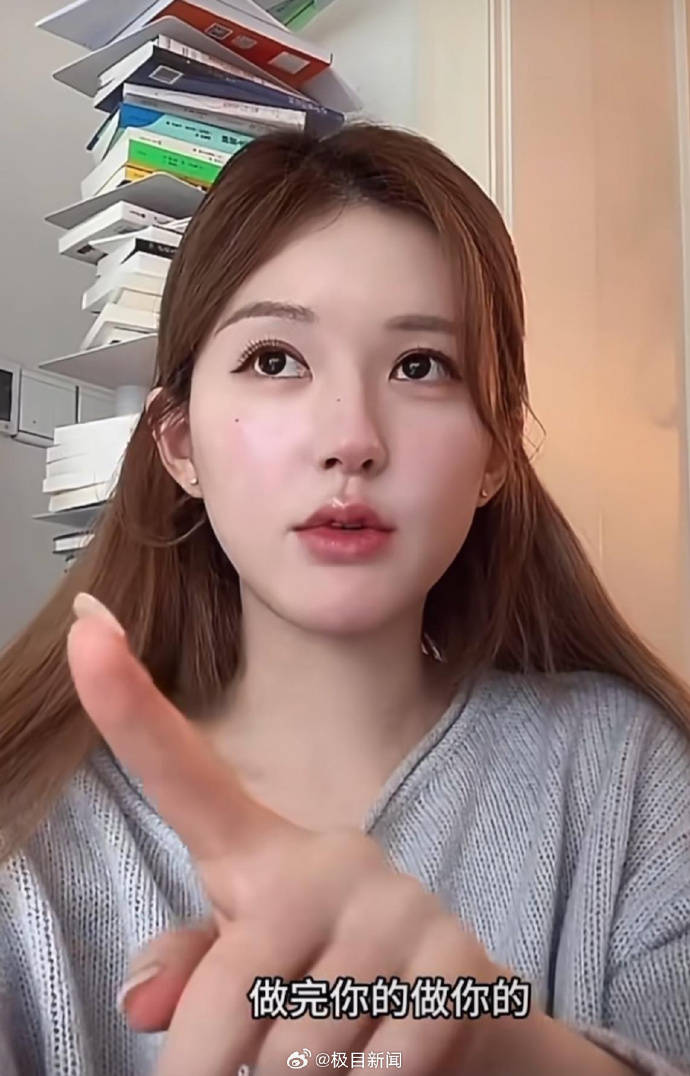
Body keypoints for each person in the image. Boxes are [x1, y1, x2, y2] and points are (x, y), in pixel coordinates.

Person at [0, 122, 688, 1076]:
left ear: (495, 454)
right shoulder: (26, 832)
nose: (352, 439)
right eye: (275, 360)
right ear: (179, 443)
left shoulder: (630, 776)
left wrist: (506, 1047)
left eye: (421, 366)